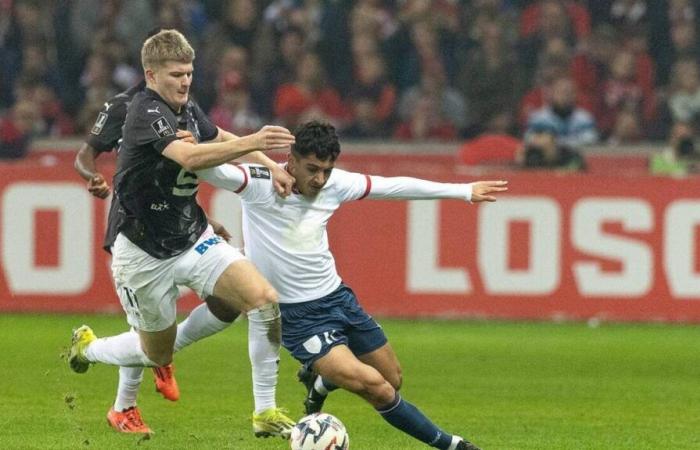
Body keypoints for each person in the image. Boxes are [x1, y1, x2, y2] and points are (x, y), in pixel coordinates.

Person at [196, 121, 508, 450]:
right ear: (291, 159)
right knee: (375, 386)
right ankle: (453, 445)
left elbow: (395, 187)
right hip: (297, 318)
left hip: (338, 298)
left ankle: (319, 385)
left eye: (326, 171)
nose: (319, 179)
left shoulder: (334, 184)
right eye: (312, 169)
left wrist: (462, 192)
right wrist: (186, 141)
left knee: (392, 379)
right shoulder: (257, 184)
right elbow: (206, 168)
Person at [67, 29, 296, 436]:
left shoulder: (187, 107)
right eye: (176, 75)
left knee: (263, 300)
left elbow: (217, 137)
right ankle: (89, 348)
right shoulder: (142, 111)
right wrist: (254, 140)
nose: (185, 82)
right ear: (151, 76)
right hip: (143, 250)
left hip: (191, 236)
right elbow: (189, 156)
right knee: (153, 353)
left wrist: (270, 164)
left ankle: (265, 412)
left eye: (189, 73)